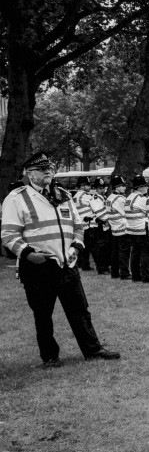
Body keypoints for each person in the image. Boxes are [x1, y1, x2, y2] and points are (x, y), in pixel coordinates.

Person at [0, 152, 120, 367]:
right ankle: (50, 356)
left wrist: (76, 246)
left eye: (49, 168)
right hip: (39, 266)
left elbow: (78, 225)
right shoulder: (17, 198)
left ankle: (92, 350)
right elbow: (9, 235)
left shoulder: (63, 194)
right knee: (43, 315)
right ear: (29, 174)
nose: (48, 172)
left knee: (80, 311)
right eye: (42, 169)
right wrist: (28, 254)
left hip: (67, 263)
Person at [125, 174, 149, 283]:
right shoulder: (141, 199)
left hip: (131, 229)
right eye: (145, 186)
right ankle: (146, 276)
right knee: (146, 253)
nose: (147, 188)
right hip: (142, 228)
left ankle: (135, 276)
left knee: (135, 253)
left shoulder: (129, 197)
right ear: (140, 188)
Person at [105, 175, 130, 280]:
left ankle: (115, 273)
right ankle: (124, 273)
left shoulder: (110, 197)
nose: (124, 188)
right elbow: (125, 213)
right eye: (122, 185)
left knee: (115, 251)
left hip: (114, 228)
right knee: (124, 252)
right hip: (122, 227)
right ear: (117, 187)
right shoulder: (120, 199)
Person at [88, 177, 112, 275]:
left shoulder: (103, 197)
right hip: (100, 225)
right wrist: (108, 220)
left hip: (105, 226)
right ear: (96, 189)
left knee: (106, 248)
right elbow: (100, 213)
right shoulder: (96, 198)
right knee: (101, 248)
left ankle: (105, 266)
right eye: (100, 188)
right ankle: (102, 268)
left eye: (103, 187)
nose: (102, 190)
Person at [72, 177, 95, 271]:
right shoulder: (85, 196)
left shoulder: (75, 196)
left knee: (82, 245)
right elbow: (95, 207)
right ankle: (85, 265)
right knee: (88, 247)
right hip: (88, 223)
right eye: (88, 185)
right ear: (82, 186)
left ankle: (81, 264)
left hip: (79, 224)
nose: (90, 186)